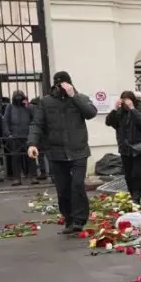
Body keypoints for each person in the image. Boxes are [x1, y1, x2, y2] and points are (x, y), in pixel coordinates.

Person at [27, 71, 98, 234]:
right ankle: (69, 219)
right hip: (56, 151)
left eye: (66, 84)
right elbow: (36, 124)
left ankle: (80, 220)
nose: (63, 87)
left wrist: (74, 96)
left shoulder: (80, 98)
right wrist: (32, 143)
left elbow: (91, 113)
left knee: (77, 185)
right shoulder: (45, 102)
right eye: (60, 84)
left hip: (79, 150)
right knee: (63, 188)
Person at [104, 91, 141, 204]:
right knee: (128, 175)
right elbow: (109, 122)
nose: (125, 104)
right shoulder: (120, 111)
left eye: (127, 101)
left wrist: (132, 109)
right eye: (123, 101)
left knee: (136, 173)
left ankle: (137, 198)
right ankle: (133, 195)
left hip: (140, 148)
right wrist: (114, 109)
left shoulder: (140, 108)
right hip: (125, 148)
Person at [3, 90, 36, 186]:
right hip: (15, 136)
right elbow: (5, 121)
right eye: (16, 97)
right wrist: (8, 134)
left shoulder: (29, 106)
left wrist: (28, 106)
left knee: (31, 157)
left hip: (28, 135)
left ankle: (33, 176)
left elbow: (36, 116)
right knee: (16, 157)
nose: (18, 98)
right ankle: (17, 178)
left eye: (20, 96)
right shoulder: (10, 107)